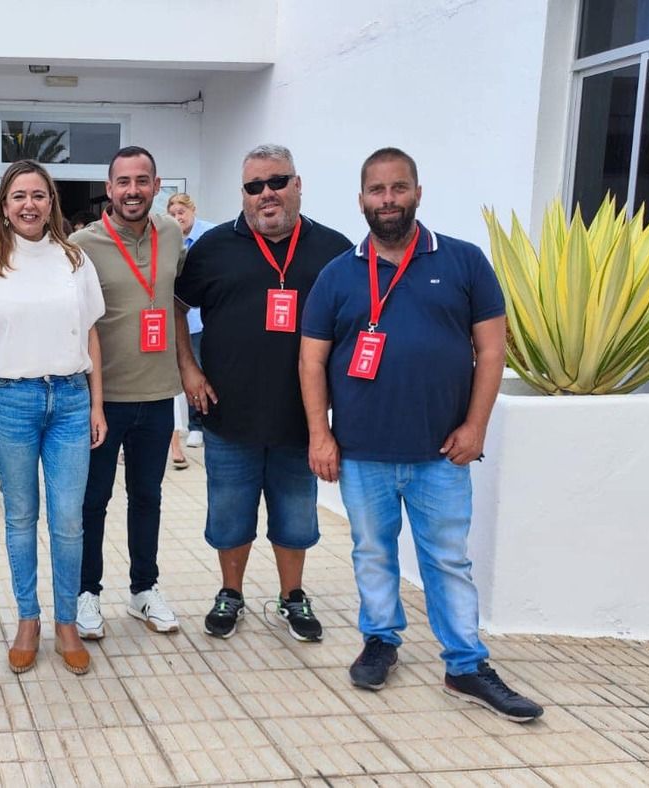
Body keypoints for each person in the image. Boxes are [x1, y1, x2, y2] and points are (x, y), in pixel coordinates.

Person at [298, 147, 544, 721]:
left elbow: (491, 349)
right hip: (362, 453)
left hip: (443, 452)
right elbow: (312, 362)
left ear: (418, 192)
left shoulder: (463, 261)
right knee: (372, 553)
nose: (388, 200)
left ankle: (466, 665)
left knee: (447, 561)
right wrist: (321, 434)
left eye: (399, 188)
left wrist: (476, 426)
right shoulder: (337, 274)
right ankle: (381, 640)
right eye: (377, 191)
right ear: (361, 199)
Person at [175, 144, 351, 642]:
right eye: (255, 187)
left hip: (301, 420)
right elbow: (174, 305)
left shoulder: (334, 250)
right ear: (244, 194)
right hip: (229, 416)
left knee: (295, 519)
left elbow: (356, 323)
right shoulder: (213, 247)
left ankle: (292, 596)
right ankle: (231, 593)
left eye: (277, 182)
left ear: (298, 184)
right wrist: (188, 367)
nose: (266, 194)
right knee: (230, 518)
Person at [0, 160, 107, 674]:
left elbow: (91, 335)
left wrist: (96, 403)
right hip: (9, 402)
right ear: (4, 206)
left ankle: (67, 620)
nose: (29, 205)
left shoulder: (75, 260)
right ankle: (28, 618)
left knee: (68, 520)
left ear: (51, 203)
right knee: (21, 518)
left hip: (69, 400)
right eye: (19, 196)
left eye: (39, 195)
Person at [70, 146, 187, 638]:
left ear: (156, 185)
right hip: (102, 399)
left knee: (147, 497)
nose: (133, 190)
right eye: (123, 182)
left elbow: (176, 305)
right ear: (109, 188)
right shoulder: (81, 244)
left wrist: (190, 370)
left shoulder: (172, 233)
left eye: (142, 181)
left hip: (158, 395)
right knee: (92, 501)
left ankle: (143, 590)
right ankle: (86, 594)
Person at [166, 193, 215, 451]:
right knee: (184, 374)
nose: (177, 218)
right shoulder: (168, 238)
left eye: (181, 213)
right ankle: (189, 427)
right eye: (172, 214)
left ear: (192, 210)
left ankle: (200, 426)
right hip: (176, 321)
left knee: (205, 372)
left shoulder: (211, 237)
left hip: (202, 321)